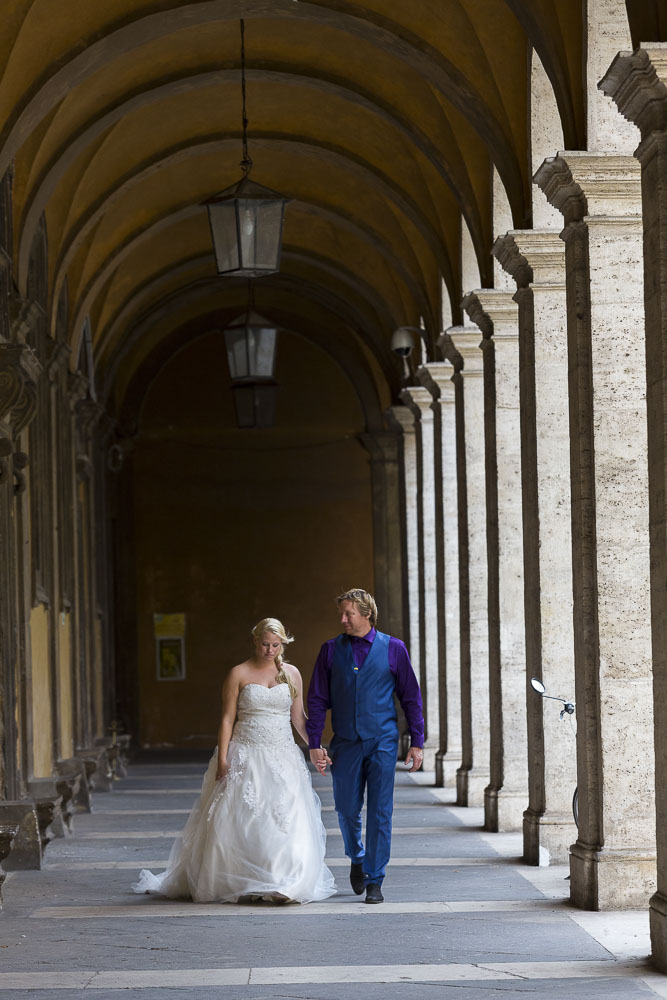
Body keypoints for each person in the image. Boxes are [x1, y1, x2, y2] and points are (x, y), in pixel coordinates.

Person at [133, 618, 336, 904]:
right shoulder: (238, 673)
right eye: (265, 644)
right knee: (244, 818)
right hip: (246, 753)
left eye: (275, 645)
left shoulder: (291, 674)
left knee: (285, 818)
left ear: (283, 644)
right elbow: (228, 719)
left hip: (283, 755)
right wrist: (223, 757)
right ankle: (241, 880)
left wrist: (315, 747)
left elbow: (298, 718)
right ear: (255, 641)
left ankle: (285, 881)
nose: (269, 650)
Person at [307, 588, 424, 904]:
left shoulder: (394, 649)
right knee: (346, 809)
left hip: (383, 742)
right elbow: (317, 699)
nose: (342, 619)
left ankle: (375, 879)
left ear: (366, 614)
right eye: (342, 614)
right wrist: (314, 742)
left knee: (380, 811)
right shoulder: (330, 651)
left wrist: (417, 742)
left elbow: (410, 698)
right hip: (345, 743)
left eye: (349, 614)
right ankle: (356, 855)